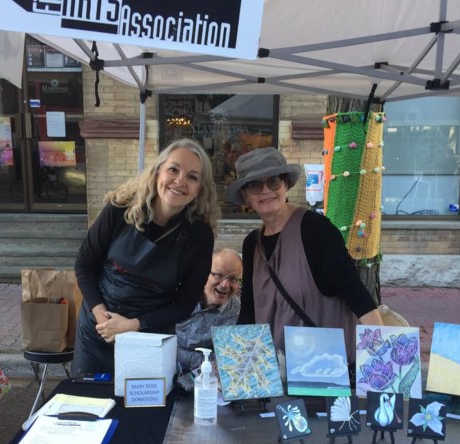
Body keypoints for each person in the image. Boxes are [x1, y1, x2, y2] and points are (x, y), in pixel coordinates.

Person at [72, 139, 221, 376]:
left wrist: (132, 325)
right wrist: (103, 318)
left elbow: (184, 304)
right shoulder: (120, 209)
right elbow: (85, 264)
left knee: (145, 409)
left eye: (192, 177)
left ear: (199, 190)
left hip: (150, 337)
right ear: (157, 171)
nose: (180, 181)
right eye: (173, 169)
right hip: (98, 332)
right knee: (90, 404)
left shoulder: (199, 236)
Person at [228, 147, 383, 367]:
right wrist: (238, 368)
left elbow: (356, 293)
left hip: (326, 370)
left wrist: (382, 357)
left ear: (285, 184)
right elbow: (248, 313)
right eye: (254, 185)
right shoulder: (252, 244)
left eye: (273, 181)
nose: (265, 191)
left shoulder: (315, 230)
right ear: (245, 195)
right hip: (276, 374)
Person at [175, 248, 243, 388]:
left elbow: (229, 361)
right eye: (218, 275)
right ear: (205, 273)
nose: (225, 284)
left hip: (207, 384)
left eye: (233, 279)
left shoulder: (238, 311)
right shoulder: (179, 296)